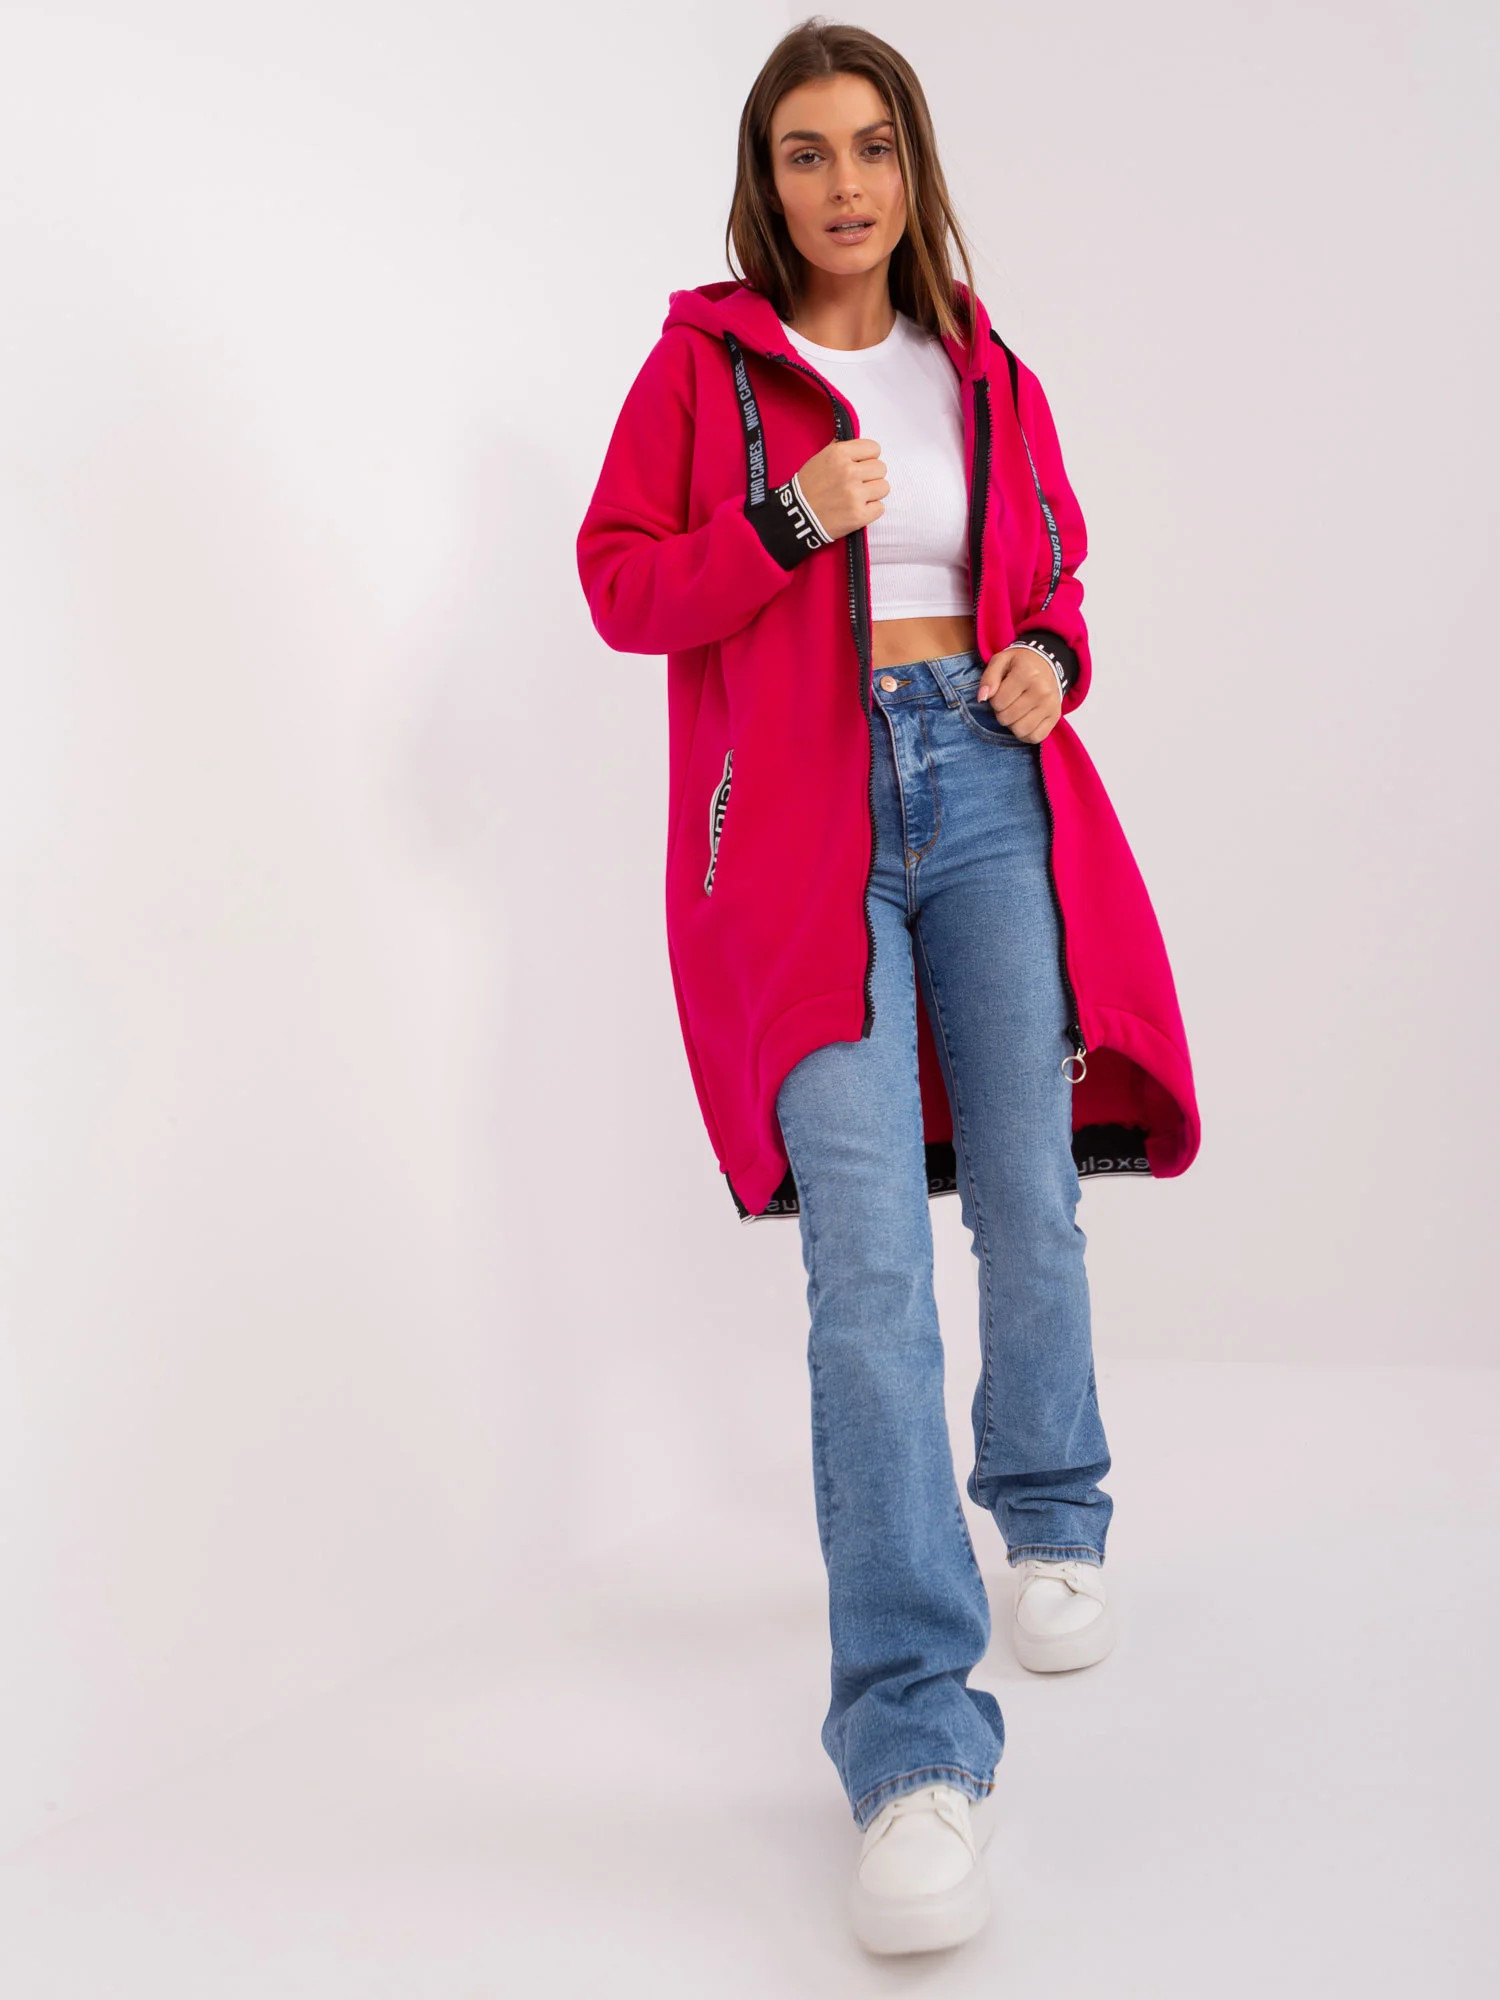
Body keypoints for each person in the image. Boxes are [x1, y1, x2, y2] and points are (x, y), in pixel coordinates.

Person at [576, 16, 1200, 1959]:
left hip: (989, 786)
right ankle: (914, 1740)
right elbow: (620, 586)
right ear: (763, 184)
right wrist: (789, 520)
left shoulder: (981, 362)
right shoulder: (705, 370)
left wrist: (1048, 661)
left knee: (1028, 1186)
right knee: (864, 1263)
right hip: (801, 826)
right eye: (805, 153)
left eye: (871, 147)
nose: (841, 184)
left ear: (913, 168)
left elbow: (1055, 570)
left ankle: (1055, 1512)